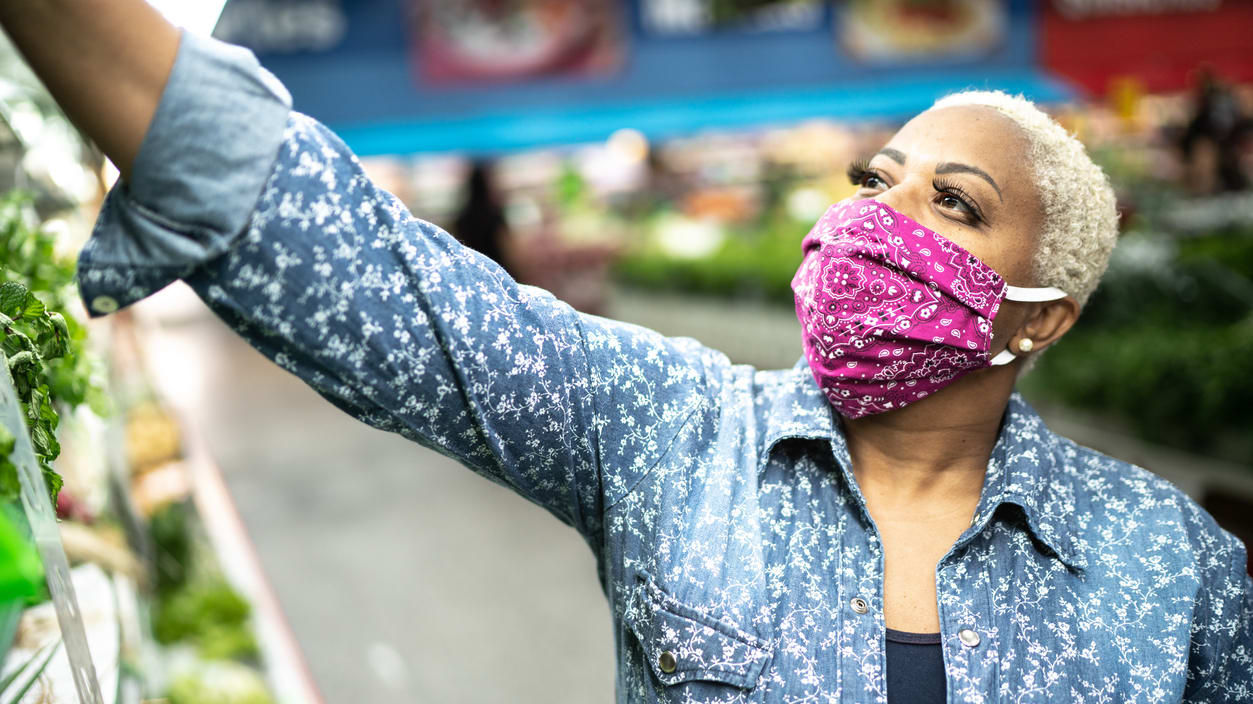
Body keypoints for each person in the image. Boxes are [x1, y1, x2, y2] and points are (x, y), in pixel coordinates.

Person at [2, 3, 1249, 702]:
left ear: (1043, 313)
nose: (877, 218)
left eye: (953, 205)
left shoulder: (1170, 566)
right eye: (874, 179)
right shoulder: (671, 428)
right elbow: (333, 249)